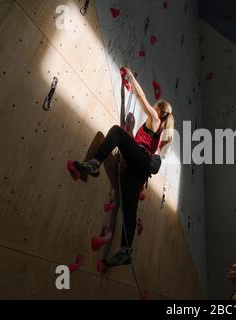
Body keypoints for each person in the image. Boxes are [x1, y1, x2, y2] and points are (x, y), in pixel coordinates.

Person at [67, 67, 174, 266]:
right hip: (138, 171)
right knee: (129, 209)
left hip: (139, 160)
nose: (152, 107)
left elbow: (140, 97)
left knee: (116, 132)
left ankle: (94, 164)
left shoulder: (156, 119)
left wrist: (131, 76)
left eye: (155, 106)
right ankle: (126, 250)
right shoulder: (163, 133)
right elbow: (140, 145)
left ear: (159, 109)